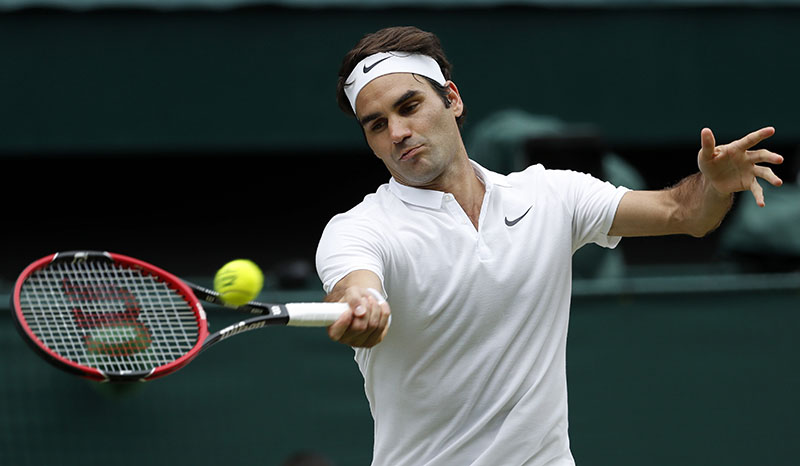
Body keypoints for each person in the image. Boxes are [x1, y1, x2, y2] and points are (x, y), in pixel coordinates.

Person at [315, 26, 784, 466]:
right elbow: (355, 286)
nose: (397, 132)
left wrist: (714, 184)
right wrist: (363, 306)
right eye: (376, 125)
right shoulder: (358, 229)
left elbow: (684, 213)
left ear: (452, 99)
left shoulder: (549, 195)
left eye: (409, 106)